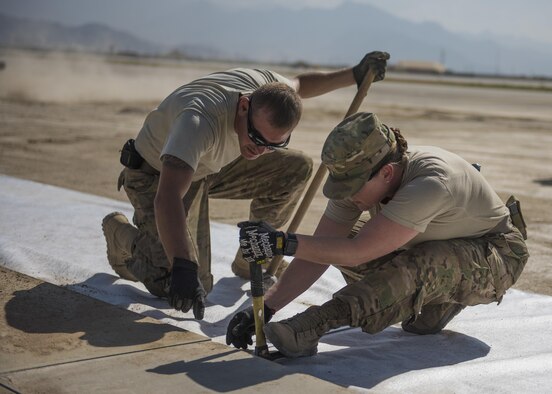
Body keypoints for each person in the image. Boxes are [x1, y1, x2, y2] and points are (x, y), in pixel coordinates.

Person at [101, 52, 390, 320]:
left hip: (209, 167)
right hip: (157, 175)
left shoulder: (267, 90)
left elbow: (300, 84)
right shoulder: (198, 121)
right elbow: (167, 198)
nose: (260, 150)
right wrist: (183, 265)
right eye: (257, 138)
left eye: (272, 145)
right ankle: (121, 235)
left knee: (296, 167)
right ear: (243, 106)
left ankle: (250, 259)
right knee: (179, 280)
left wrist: (355, 74)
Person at [227, 111, 529, 357]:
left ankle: (312, 326)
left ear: (386, 173)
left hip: (496, 255)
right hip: (439, 246)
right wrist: (266, 308)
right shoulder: (363, 174)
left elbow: (361, 251)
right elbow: (320, 252)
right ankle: (437, 304)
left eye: (352, 188)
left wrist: (282, 242)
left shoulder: (432, 183)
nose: (347, 196)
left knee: (421, 261)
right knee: (337, 244)